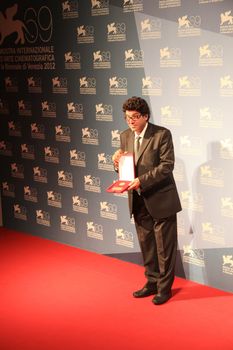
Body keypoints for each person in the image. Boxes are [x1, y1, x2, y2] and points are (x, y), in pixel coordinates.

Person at [112, 96, 182, 305]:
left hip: (161, 198)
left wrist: (141, 181)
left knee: (165, 248)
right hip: (138, 199)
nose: (130, 122)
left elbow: (167, 165)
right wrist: (117, 163)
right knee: (147, 245)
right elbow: (126, 168)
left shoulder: (161, 134)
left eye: (134, 117)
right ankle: (151, 282)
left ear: (145, 116)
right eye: (127, 118)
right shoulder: (125, 136)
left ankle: (164, 288)